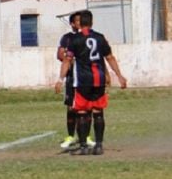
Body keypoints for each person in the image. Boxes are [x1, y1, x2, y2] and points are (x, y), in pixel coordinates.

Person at [55, 10, 128, 155]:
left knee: (82, 112)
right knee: (98, 112)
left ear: (80, 23)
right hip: (99, 80)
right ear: (92, 22)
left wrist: (60, 79)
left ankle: (83, 147)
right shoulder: (100, 38)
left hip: (83, 81)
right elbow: (110, 57)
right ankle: (99, 145)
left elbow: (67, 60)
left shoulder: (74, 40)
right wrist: (119, 75)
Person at [57, 12, 94, 149]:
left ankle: (86, 136)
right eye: (77, 21)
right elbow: (60, 54)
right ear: (72, 24)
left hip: (86, 77)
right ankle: (71, 136)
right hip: (72, 78)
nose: (80, 23)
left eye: (81, 21)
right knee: (71, 108)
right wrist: (66, 57)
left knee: (88, 107)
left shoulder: (91, 37)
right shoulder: (67, 38)